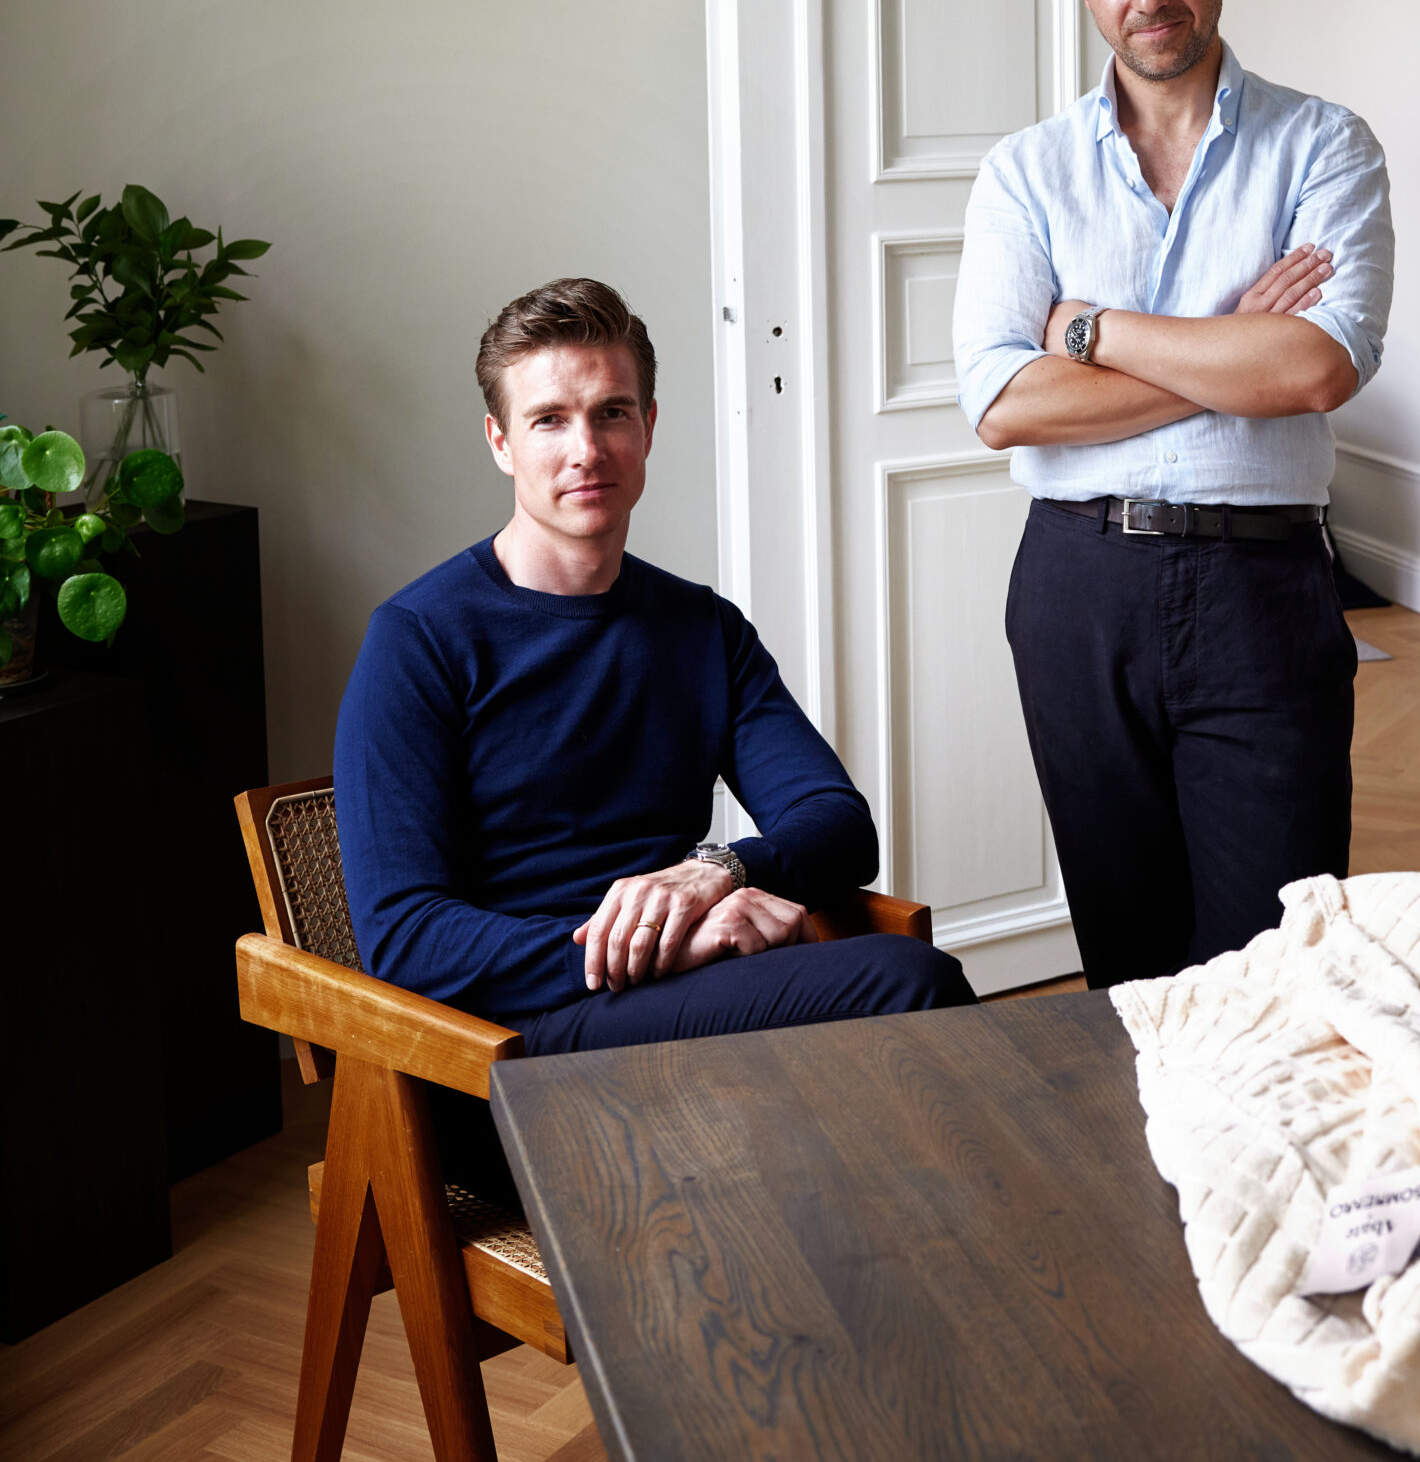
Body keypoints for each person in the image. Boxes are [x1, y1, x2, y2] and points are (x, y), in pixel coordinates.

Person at [335, 278, 974, 1101]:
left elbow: (839, 825)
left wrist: (722, 872)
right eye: (548, 420)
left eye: (612, 412)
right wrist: (668, 946)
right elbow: (405, 938)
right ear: (500, 442)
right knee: (905, 982)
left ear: (649, 426)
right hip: (516, 1034)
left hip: (689, 1000)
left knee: (896, 1012)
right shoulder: (417, 639)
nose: (587, 450)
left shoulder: (702, 628)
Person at [952, 0, 1393, 990]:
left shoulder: (1324, 145)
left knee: (1275, 962)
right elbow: (1001, 402)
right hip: (1076, 588)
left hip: (1262, 588)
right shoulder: (1025, 172)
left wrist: (1091, 329)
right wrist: (1229, 337)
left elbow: (1316, 368)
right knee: (1128, 962)